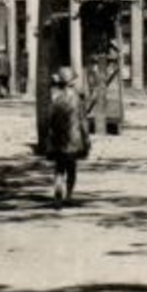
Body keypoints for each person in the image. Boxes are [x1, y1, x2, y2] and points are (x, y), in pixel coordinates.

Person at [44, 68, 92, 208]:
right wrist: (87, 138)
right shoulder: (77, 99)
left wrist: (49, 135)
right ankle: (69, 196)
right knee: (71, 168)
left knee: (59, 169)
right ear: (71, 82)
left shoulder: (55, 98)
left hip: (59, 138)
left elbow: (49, 119)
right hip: (74, 138)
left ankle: (57, 194)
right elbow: (83, 120)